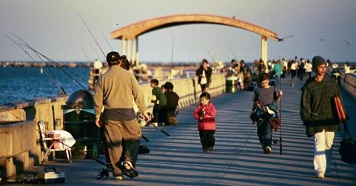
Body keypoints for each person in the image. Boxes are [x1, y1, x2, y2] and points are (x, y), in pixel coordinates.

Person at [94, 51, 148, 181]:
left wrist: (97, 116)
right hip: (127, 114)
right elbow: (137, 94)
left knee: (114, 145)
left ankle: (117, 173)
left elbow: (98, 99)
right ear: (119, 61)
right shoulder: (128, 75)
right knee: (135, 136)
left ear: (107, 63)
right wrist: (143, 110)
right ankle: (128, 162)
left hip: (110, 115)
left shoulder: (102, 78)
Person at [300, 56, 345, 179]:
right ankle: (320, 170)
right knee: (319, 144)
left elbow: (339, 99)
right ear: (315, 68)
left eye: (325, 67)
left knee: (328, 144)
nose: (323, 69)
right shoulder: (310, 84)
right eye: (321, 67)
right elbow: (305, 102)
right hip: (316, 119)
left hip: (331, 118)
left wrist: (343, 116)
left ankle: (327, 168)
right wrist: (307, 117)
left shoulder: (331, 82)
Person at [251, 73, 283, 154]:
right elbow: (254, 102)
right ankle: (265, 145)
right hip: (259, 113)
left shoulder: (273, 89)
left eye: (265, 82)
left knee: (267, 130)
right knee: (260, 132)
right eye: (262, 83)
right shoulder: (257, 89)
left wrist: (279, 96)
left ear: (268, 80)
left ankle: (268, 146)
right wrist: (252, 112)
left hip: (270, 113)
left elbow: (276, 101)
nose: (264, 84)